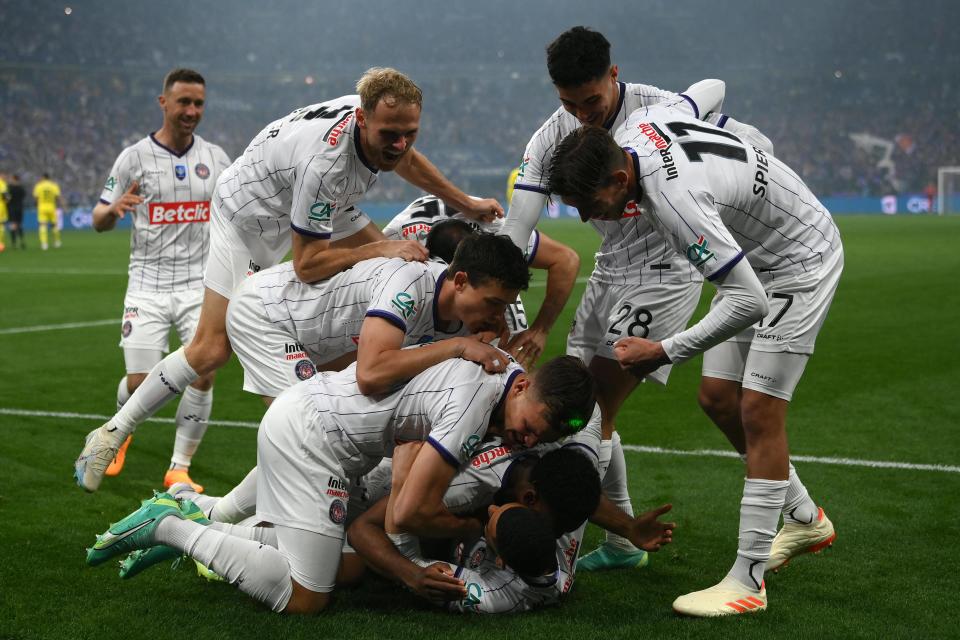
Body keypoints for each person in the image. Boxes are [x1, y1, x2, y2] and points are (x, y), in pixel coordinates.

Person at [75, 67, 502, 493]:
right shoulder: (327, 165)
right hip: (247, 216)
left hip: (303, 202)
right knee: (211, 348)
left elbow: (405, 157)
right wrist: (377, 248)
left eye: (410, 131)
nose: (400, 143)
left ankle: (370, 371)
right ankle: (112, 433)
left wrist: (464, 202)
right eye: (390, 133)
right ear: (362, 120)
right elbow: (309, 265)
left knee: (398, 272)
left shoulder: (377, 116)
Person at [547, 102, 842, 616]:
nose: (586, 216)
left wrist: (663, 350)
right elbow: (706, 91)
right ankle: (804, 517)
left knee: (759, 409)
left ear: (619, 178)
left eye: (589, 202)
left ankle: (748, 582)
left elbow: (749, 300)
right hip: (757, 259)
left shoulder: (672, 201)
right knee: (718, 399)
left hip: (798, 263)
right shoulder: (639, 127)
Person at [499, 26, 772, 572]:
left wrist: (692, 111)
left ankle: (568, 544)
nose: (582, 114)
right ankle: (623, 543)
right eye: (568, 103)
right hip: (609, 270)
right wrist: (498, 291)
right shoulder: (551, 137)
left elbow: (714, 85)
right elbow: (518, 225)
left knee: (586, 408)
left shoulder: (657, 110)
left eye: (591, 101)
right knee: (576, 393)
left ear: (613, 76)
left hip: (666, 272)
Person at [86, 354, 596, 615]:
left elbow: (596, 445)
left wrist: (625, 525)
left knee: (331, 560)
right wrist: (427, 561)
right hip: (322, 445)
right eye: (540, 421)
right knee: (308, 593)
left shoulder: (519, 422)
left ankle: (194, 512)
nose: (535, 436)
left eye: (548, 433)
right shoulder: (480, 444)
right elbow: (393, 520)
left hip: (328, 433)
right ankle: (170, 526)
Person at [89, 68, 232, 491]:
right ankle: (121, 431)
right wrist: (111, 213)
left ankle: (179, 465)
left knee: (203, 370)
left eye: (199, 104)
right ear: (163, 102)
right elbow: (98, 216)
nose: (191, 111)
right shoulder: (133, 157)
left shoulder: (216, 158)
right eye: (184, 102)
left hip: (198, 285)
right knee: (141, 382)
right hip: (147, 286)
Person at [228, 231, 528, 403]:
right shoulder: (408, 283)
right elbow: (370, 375)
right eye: (493, 304)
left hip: (315, 339)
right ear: (460, 281)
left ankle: (214, 510)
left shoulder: (466, 319)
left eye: (505, 306)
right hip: (269, 310)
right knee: (302, 422)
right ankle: (212, 508)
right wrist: (459, 348)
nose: (498, 316)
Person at [383, 194, 581, 367]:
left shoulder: (497, 232)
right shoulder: (397, 247)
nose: (497, 314)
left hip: (480, 243)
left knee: (508, 360)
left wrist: (540, 330)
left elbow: (565, 260)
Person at [33, 172, 61, 250]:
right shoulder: (54, 186)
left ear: (43, 177)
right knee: (54, 225)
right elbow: (57, 197)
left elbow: (36, 198)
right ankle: (57, 242)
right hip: (52, 207)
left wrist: (36, 205)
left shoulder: (39, 186)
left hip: (42, 207)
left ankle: (44, 244)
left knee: (42, 225)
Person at [6, 174, 27, 250]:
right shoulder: (21, 188)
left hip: (12, 208)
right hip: (20, 208)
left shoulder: (9, 188)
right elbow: (24, 197)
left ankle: (13, 243)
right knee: (19, 225)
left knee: (13, 225)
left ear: (13, 179)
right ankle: (22, 241)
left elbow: (7, 199)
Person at [0, 173, 8, 251]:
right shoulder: (2, 184)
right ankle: (0, 243)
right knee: (1, 224)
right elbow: (5, 195)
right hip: (1, 206)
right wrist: (8, 200)